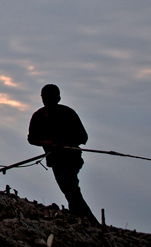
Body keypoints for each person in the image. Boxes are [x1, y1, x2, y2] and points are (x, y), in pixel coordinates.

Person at [27, 84, 98, 223]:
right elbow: (31, 139)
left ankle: (86, 219)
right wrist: (47, 143)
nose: (47, 100)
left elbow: (83, 138)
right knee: (68, 189)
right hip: (55, 160)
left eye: (51, 97)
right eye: (45, 97)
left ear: (58, 98)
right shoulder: (38, 116)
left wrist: (63, 142)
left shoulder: (68, 113)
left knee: (70, 187)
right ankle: (84, 218)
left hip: (71, 158)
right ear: (42, 98)